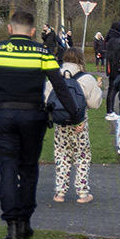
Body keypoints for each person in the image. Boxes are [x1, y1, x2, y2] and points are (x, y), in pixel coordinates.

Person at [0, 8, 83, 239]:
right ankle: (25, 222)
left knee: (6, 169)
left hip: (3, 117)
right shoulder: (42, 52)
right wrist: (75, 115)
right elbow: (60, 87)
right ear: (33, 31)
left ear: (10, 28)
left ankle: (11, 225)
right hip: (33, 118)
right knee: (28, 169)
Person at [49, 47, 101, 204]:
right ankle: (82, 193)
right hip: (79, 122)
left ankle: (60, 192)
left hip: (61, 123)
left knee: (62, 155)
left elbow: (47, 98)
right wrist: (97, 88)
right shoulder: (87, 78)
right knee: (82, 156)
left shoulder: (56, 75)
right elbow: (94, 104)